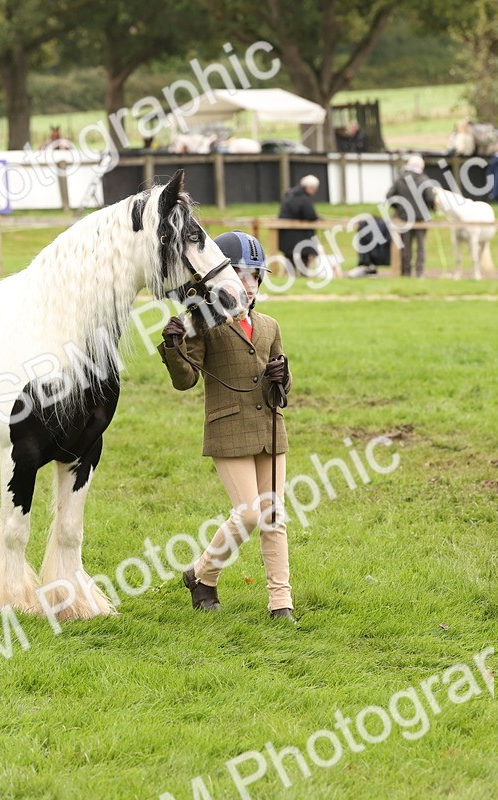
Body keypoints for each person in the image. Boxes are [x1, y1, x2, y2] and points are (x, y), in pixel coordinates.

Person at [158, 231, 294, 621]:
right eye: (238, 272)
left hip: (270, 427)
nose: (247, 283)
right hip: (228, 430)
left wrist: (282, 377)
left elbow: (283, 386)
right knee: (249, 514)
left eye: (253, 275)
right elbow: (186, 379)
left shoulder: (269, 325)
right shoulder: (204, 324)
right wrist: (173, 348)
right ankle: (204, 573)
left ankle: (280, 602)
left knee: (273, 515)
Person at [385, 154, 436, 278]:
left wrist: (399, 208)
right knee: (420, 246)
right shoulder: (424, 179)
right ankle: (419, 272)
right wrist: (429, 208)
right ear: (421, 166)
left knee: (405, 246)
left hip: (404, 218)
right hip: (421, 218)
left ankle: (406, 272)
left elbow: (389, 196)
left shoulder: (400, 178)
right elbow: (430, 198)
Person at [277, 175, 320, 274]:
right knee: (304, 257)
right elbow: (310, 215)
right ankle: (304, 275)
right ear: (310, 188)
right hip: (301, 235)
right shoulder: (303, 199)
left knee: (289, 257)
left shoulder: (289, 195)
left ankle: (290, 275)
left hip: (286, 234)